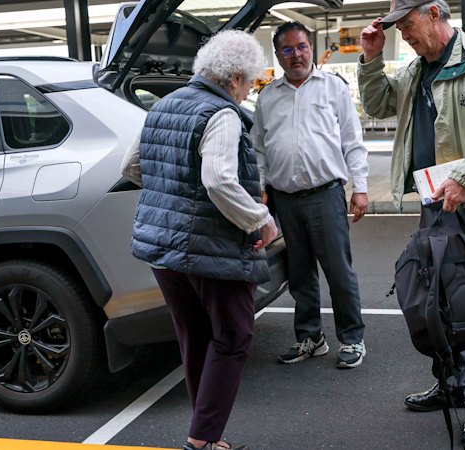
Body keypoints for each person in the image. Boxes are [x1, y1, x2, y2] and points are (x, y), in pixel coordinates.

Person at [358, 0, 465, 445]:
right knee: (439, 297)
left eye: (407, 25)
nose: (404, 35)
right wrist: (371, 57)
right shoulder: (415, 70)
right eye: (398, 29)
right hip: (435, 199)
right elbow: (377, 103)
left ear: (434, 13)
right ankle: (452, 382)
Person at [131, 30, 278, 450]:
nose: (249, 91)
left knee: (194, 337)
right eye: (250, 82)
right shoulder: (222, 113)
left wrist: (175, 192)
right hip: (210, 248)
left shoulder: (163, 105)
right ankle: (200, 443)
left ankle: (205, 437)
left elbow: (133, 166)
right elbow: (217, 181)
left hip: (162, 250)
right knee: (233, 338)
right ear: (234, 78)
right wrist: (259, 220)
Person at [252, 21, 369, 369]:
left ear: (311, 48)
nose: (296, 55)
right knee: (300, 273)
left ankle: (352, 339)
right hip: (284, 199)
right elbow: (259, 150)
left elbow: (353, 142)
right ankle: (310, 337)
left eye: (301, 47)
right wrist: (259, 190)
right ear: (278, 55)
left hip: (326, 196)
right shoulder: (268, 97)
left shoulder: (333, 88)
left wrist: (360, 188)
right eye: (287, 49)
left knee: (338, 272)